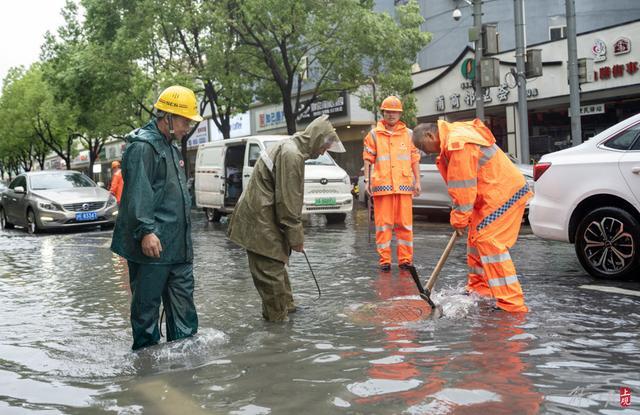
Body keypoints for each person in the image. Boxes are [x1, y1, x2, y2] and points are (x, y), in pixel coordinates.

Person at [227, 115, 345, 322]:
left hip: (263, 220)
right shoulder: (292, 155)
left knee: (278, 274)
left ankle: (286, 313)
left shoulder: (289, 146)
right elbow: (288, 203)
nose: (323, 151)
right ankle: (278, 337)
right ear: (316, 140)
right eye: (324, 146)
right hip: (260, 224)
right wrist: (296, 238)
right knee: (272, 280)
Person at [111, 85, 202, 350]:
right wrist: (146, 231)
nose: (188, 127)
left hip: (178, 248)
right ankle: (146, 366)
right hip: (153, 246)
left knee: (185, 311)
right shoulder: (143, 147)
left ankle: (186, 366)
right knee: (146, 312)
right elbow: (139, 193)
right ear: (169, 118)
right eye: (186, 120)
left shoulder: (171, 149)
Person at [412, 119, 532, 312]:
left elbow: (464, 186)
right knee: (475, 241)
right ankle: (481, 290)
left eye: (422, 147)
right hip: (490, 195)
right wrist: (463, 216)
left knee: (489, 242)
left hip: (502, 193)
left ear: (430, 135)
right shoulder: (454, 136)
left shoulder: (457, 143)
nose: (426, 152)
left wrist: (459, 218)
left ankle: (511, 304)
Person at [362, 96, 421, 272]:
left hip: (403, 186)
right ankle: (385, 261)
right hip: (382, 187)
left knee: (405, 225)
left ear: (400, 113)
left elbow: (414, 158)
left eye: (395, 112)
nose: (392, 115)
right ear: (383, 113)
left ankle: (405, 260)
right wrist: (367, 180)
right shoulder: (373, 134)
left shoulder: (409, 134)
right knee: (383, 225)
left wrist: (417, 181)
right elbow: (367, 159)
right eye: (388, 111)